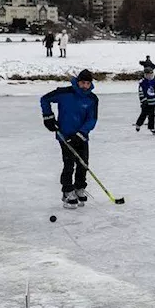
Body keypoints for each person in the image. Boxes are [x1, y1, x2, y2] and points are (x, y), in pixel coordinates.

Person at [40, 69, 99, 208]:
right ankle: (67, 191)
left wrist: (81, 133)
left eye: (88, 83)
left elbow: (92, 119)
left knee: (83, 164)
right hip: (65, 135)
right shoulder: (65, 93)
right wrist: (48, 117)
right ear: (78, 82)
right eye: (83, 83)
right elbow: (45, 99)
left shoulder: (92, 99)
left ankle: (79, 188)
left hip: (81, 136)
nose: (85, 86)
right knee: (69, 164)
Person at [134, 69, 155, 134]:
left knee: (152, 115)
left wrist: (154, 99)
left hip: (152, 102)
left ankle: (151, 127)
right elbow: (141, 93)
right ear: (145, 75)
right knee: (144, 114)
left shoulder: (153, 81)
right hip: (146, 102)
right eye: (148, 75)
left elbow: (153, 91)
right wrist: (143, 100)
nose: (149, 76)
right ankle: (138, 124)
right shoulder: (142, 83)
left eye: (151, 74)